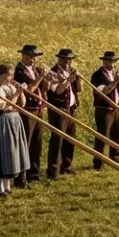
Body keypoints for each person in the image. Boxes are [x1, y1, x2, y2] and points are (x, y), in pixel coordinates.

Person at [0, 64, 30, 196]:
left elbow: (22, 104)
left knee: (12, 152)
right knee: (2, 152)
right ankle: (0, 187)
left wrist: (20, 92)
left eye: (11, 75)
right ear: (0, 75)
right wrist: (17, 93)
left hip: (14, 120)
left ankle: (8, 185)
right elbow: (5, 106)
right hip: (2, 121)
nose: (10, 77)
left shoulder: (11, 86)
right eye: (7, 75)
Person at [44, 48, 81, 179]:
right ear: (59, 59)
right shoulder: (53, 72)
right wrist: (69, 80)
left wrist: (77, 79)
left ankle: (66, 166)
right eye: (65, 60)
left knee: (70, 138)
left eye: (69, 60)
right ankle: (53, 169)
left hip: (70, 109)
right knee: (57, 139)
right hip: (58, 110)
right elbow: (58, 91)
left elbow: (78, 90)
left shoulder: (71, 72)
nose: (67, 62)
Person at [12, 44, 46, 186]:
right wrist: (41, 77)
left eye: (35, 57)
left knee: (37, 143)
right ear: (24, 56)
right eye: (31, 57)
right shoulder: (18, 71)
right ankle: (20, 177)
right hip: (26, 110)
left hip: (38, 109)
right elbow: (30, 89)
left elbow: (44, 88)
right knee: (25, 143)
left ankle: (34, 173)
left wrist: (47, 79)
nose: (34, 59)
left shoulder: (35, 70)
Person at [90, 51, 119, 170]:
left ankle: (115, 158)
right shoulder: (97, 75)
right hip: (103, 109)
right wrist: (114, 82)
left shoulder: (116, 73)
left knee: (117, 134)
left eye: (113, 61)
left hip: (117, 108)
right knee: (103, 135)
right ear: (104, 61)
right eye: (109, 61)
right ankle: (98, 162)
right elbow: (102, 92)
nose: (112, 63)